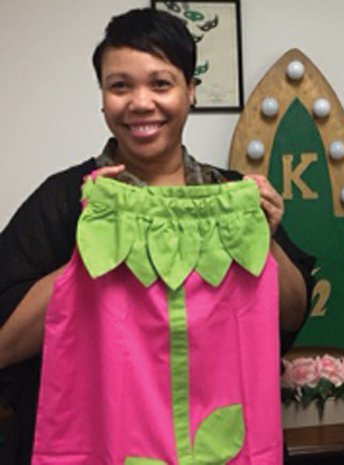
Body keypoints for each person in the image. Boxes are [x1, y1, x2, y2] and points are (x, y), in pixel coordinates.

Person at [0, 8, 314, 464]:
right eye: (120, 86)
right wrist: (85, 261)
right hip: (103, 440)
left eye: (161, 84)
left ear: (191, 92)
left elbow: (289, 313)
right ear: (103, 97)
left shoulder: (228, 193)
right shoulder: (66, 200)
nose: (140, 102)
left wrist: (262, 236)